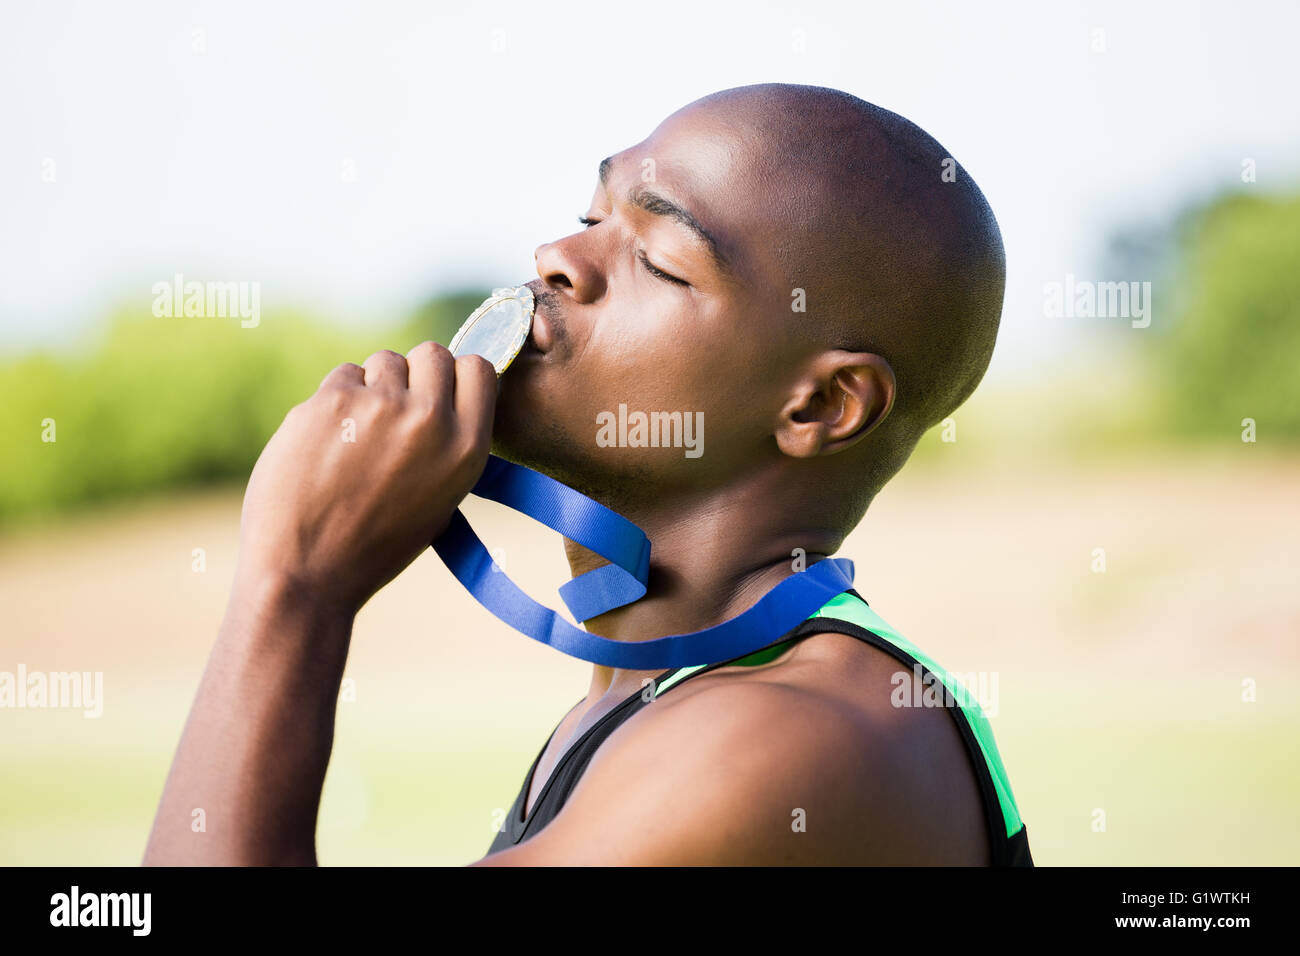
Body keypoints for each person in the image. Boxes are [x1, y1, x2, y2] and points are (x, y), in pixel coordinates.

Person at [143, 82, 1031, 866]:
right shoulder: (642, 696)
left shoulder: (775, 740)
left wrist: (295, 586)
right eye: (590, 218)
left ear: (821, 407)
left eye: (657, 259)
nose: (556, 260)